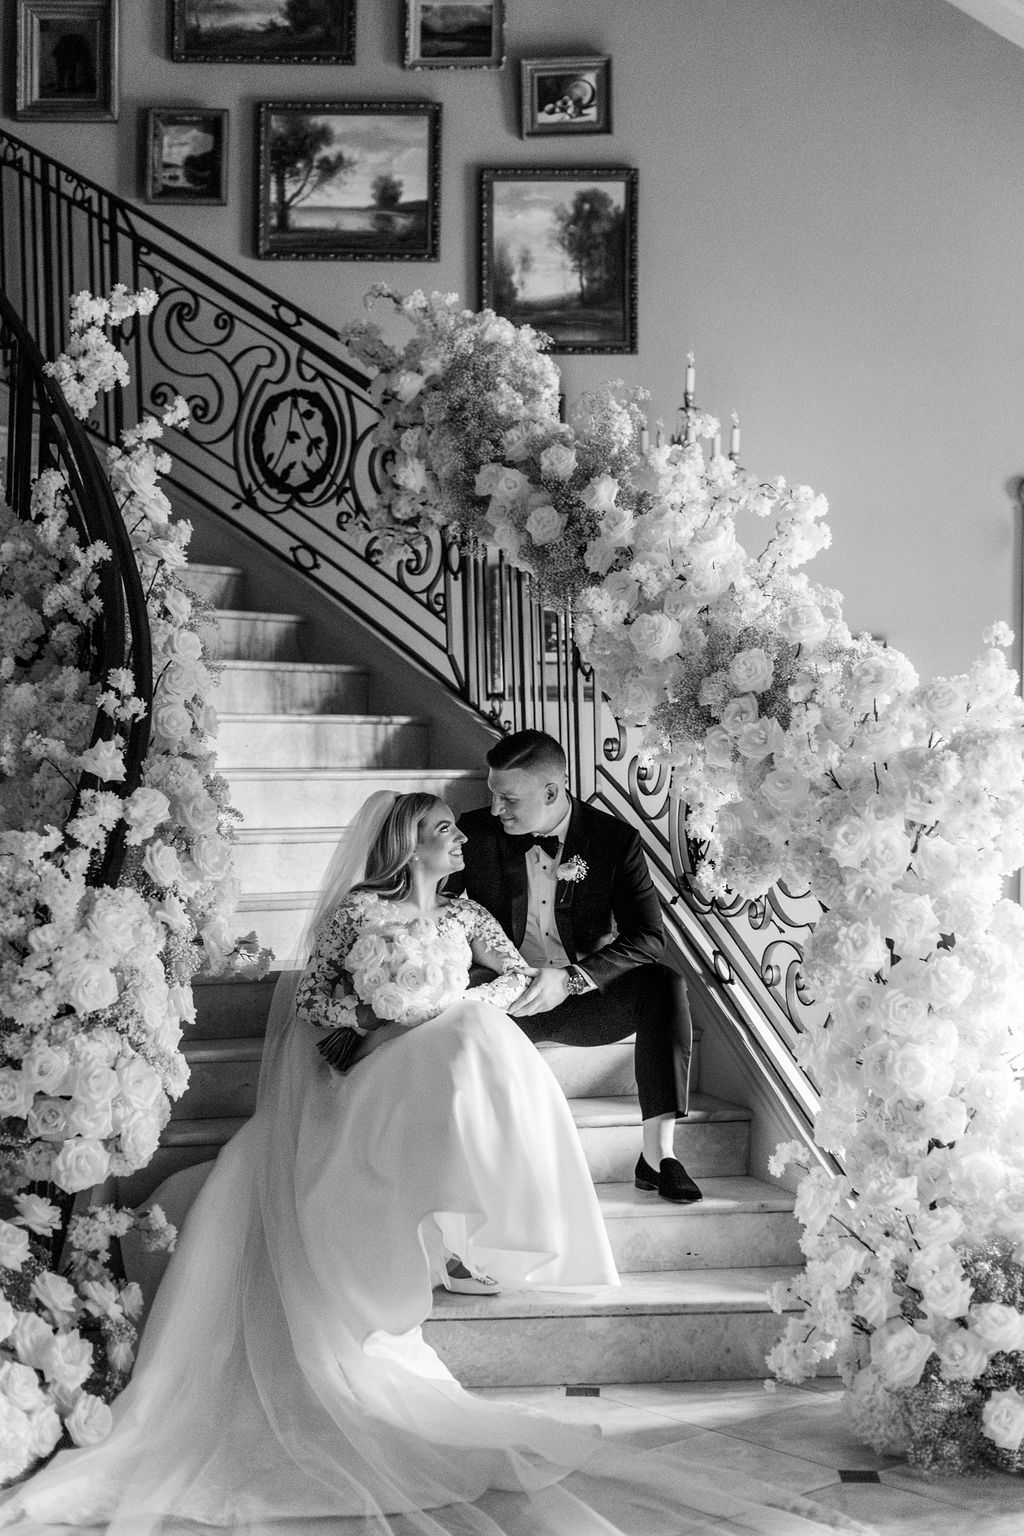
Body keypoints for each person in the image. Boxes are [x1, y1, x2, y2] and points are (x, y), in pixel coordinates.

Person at [0, 791, 874, 1536]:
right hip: (368, 1066)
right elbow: (315, 1005)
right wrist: (387, 1025)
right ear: (409, 843)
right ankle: (458, 1214)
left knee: (474, 1032)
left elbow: (524, 978)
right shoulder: (356, 913)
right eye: (446, 833)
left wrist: (445, 1001)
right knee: (458, 1040)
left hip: (435, 1049)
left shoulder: (463, 914)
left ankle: (475, 1214)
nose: (463, 839)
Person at [451, 730, 701, 1204]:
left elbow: (648, 937)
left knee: (664, 984)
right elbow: (433, 903)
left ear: (551, 791)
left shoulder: (613, 840)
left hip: (582, 1000)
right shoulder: (478, 833)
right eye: (492, 794)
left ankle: (658, 1155)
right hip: (501, 1001)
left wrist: (572, 980)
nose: (497, 809)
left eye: (508, 798)